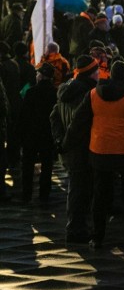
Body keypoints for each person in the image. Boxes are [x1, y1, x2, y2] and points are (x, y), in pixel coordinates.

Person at [64, 61, 124, 249]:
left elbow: (78, 122)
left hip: (100, 151)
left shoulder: (93, 95)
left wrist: (66, 144)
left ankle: (98, 236)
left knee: (100, 196)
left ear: (109, 74)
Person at [50, 55, 99, 244]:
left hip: (70, 151)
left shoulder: (65, 90)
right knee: (81, 191)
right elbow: (78, 125)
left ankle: (77, 226)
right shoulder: (87, 94)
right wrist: (66, 142)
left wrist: (59, 140)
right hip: (82, 149)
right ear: (90, 74)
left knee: (76, 189)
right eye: (96, 72)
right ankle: (77, 229)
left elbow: (54, 117)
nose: (99, 75)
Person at [20, 63, 55, 204]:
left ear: (41, 76)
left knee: (27, 166)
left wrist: (20, 134)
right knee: (47, 166)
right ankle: (44, 195)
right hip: (48, 135)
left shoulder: (31, 92)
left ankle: (26, 195)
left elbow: (24, 116)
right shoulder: (55, 92)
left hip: (31, 135)